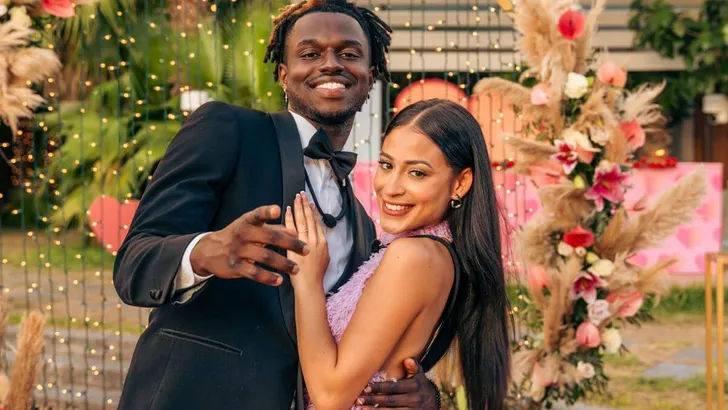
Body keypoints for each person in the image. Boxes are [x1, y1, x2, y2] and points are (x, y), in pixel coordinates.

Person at [113, 0, 444, 409]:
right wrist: (204, 251)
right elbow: (133, 265)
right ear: (285, 75)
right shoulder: (229, 129)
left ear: (370, 75)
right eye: (310, 54)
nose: (330, 64)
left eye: (348, 53)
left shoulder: (363, 224)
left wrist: (423, 391)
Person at [284, 99, 512, 410]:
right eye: (387, 165)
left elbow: (330, 397)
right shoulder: (427, 251)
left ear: (460, 183)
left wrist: (307, 281)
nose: (391, 188)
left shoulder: (414, 256)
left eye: (417, 173)